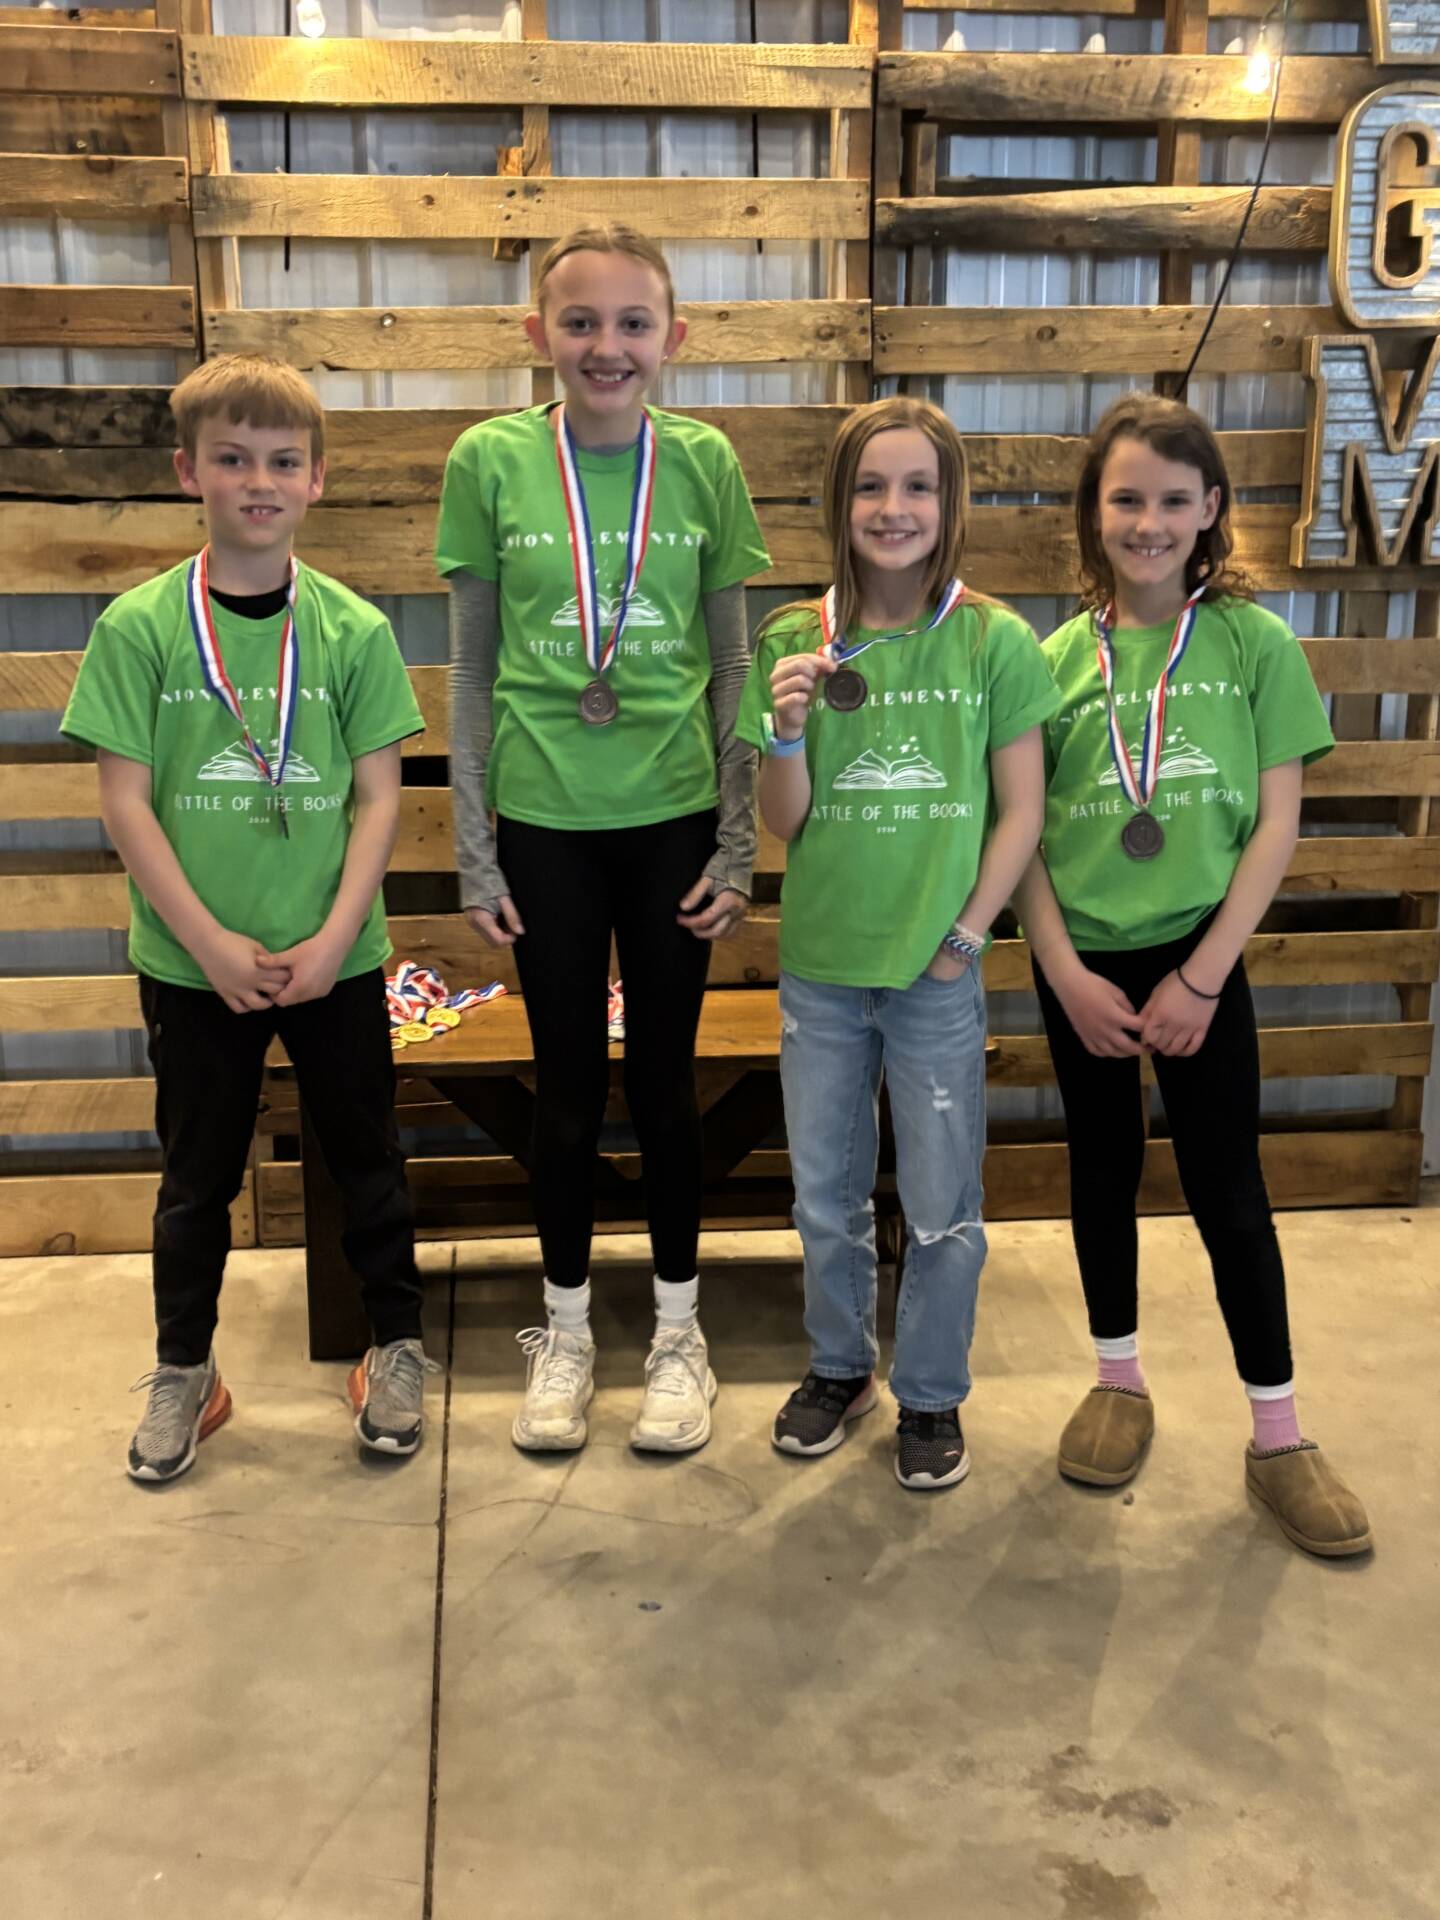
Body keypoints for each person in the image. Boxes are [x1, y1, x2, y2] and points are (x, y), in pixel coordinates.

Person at [61, 353, 431, 1483]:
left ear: (317, 480)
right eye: (232, 459)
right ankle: (187, 1370)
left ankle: (396, 1346)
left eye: (281, 461)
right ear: (190, 472)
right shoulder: (140, 628)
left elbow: (380, 797)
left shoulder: (354, 630)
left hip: (336, 957)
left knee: (367, 1159)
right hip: (192, 964)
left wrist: (329, 941)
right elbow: (125, 801)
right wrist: (210, 944)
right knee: (196, 1178)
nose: (257, 481)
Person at [1014, 392, 1372, 1556]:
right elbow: (1015, 833)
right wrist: (1061, 970)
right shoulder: (1050, 661)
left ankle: (1280, 1438)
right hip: (1087, 972)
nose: (1149, 522)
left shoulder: (1253, 645)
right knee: (1101, 1170)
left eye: (1174, 500)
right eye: (1127, 499)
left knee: (1230, 1191)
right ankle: (1118, 1380)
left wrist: (1207, 977)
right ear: (1093, 513)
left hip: (1200, 964)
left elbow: (1275, 826)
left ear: (1212, 510)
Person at [436, 224, 771, 1456]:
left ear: (672, 342)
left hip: (674, 818)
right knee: (568, 1093)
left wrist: (737, 847)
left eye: (633, 324)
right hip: (545, 830)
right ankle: (567, 1334)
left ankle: (680, 1334)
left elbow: (733, 663)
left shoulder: (705, 465)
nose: (606, 345)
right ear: (539, 337)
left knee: (668, 1088)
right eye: (580, 322)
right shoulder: (488, 460)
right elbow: (471, 675)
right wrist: (476, 848)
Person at [737, 396, 1058, 1489]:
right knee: (823, 1197)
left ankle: (930, 1395)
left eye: (918, 485)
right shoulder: (794, 638)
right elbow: (784, 822)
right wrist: (785, 732)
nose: (894, 507)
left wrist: (964, 941)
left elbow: (1022, 809)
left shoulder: (994, 639)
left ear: (949, 502)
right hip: (823, 973)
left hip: (934, 983)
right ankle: (840, 1368)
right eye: (871, 486)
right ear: (839, 503)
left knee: (941, 1207)